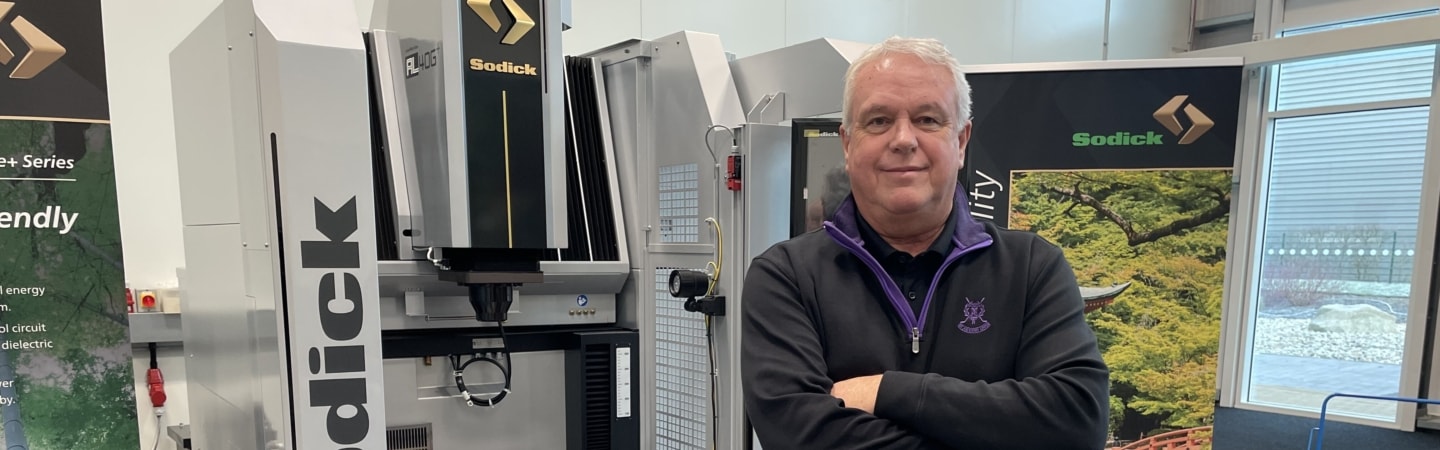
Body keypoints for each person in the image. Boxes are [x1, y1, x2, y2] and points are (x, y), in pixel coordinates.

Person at [740, 36, 1109, 449]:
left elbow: (1079, 420)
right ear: (847, 143)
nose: (903, 139)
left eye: (928, 119)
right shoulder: (786, 277)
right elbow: (799, 436)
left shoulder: (1030, 268)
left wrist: (887, 391)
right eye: (878, 121)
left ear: (962, 141)